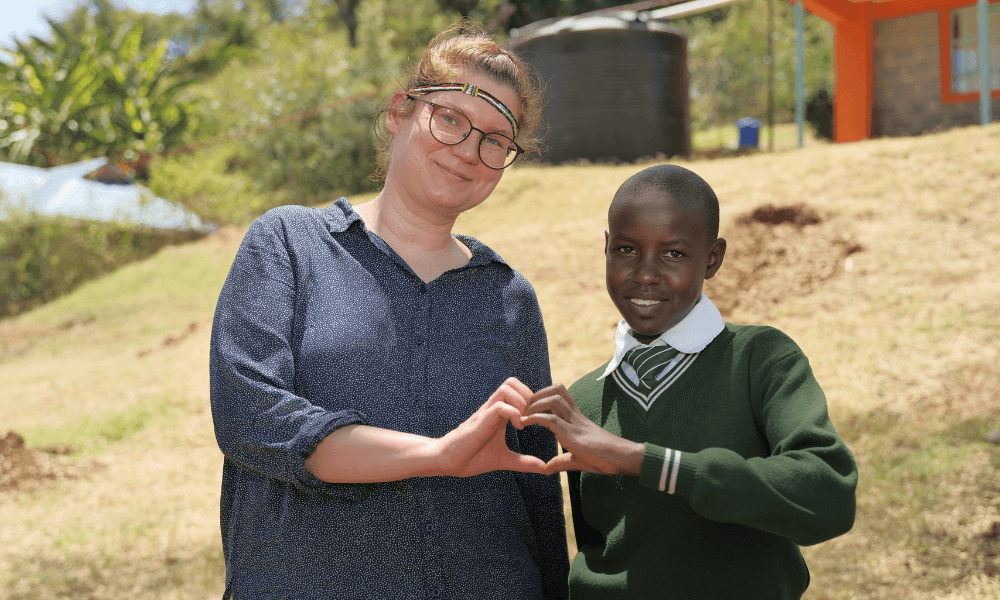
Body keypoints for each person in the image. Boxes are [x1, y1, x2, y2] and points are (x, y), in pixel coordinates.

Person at [209, 25, 569, 600]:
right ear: (401, 111)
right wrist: (433, 456)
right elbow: (250, 416)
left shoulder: (508, 297)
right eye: (451, 118)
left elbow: (535, 487)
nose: (468, 152)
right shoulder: (290, 243)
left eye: (496, 140)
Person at [522, 164, 857, 599]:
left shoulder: (760, 361)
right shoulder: (584, 400)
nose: (645, 273)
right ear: (605, 249)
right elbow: (598, 549)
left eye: (673, 254)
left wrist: (642, 461)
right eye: (626, 249)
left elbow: (828, 496)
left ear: (712, 258)